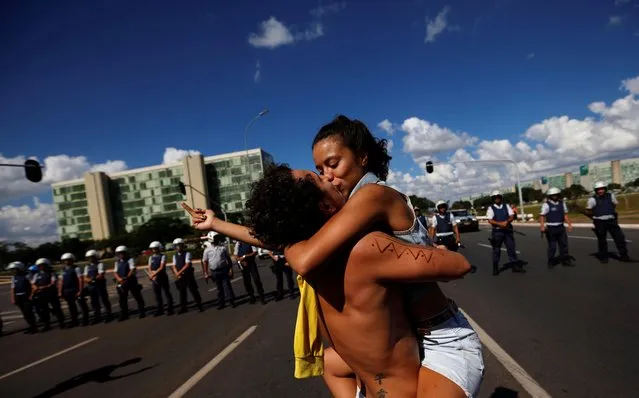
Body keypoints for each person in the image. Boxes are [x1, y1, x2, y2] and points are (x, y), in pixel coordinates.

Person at [190, 115, 483, 398]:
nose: (327, 175)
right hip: (409, 336)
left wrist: (287, 243)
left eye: (333, 164)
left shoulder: (370, 196)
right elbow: (290, 237)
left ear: (362, 157)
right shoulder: (343, 218)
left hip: (439, 335)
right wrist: (216, 224)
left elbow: (302, 254)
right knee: (330, 363)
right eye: (320, 171)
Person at [585, 181, 631, 263]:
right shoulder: (592, 199)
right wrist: (595, 217)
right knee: (602, 240)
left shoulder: (611, 196)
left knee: (620, 238)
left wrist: (609, 211)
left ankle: (624, 256)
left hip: (611, 220)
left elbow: (614, 204)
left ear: (605, 189)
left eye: (602, 189)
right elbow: (589, 210)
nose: (600, 191)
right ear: (596, 190)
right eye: (598, 189)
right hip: (599, 222)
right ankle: (603, 257)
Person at [486, 191, 525, 275]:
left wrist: (506, 222)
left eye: (498, 197)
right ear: (493, 199)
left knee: (511, 248)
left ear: (501, 197)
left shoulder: (506, 206)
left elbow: (511, 216)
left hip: (508, 231)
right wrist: (500, 224)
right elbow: (490, 220)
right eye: (495, 197)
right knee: (496, 250)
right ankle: (495, 267)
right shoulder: (491, 208)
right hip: (497, 232)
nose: (497, 198)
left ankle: (515, 266)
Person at [540, 187, 575, 268]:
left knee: (564, 245)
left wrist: (569, 224)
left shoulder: (562, 203)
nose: (554, 196)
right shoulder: (546, 205)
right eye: (552, 195)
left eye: (556, 195)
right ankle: (551, 261)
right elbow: (542, 216)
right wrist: (542, 226)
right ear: (550, 196)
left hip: (561, 227)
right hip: (551, 228)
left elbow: (565, 215)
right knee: (552, 246)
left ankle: (565, 260)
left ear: (558, 195)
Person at [202, 232, 236, 309]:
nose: (217, 239)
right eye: (215, 237)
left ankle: (231, 301)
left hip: (224, 270)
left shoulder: (222, 248)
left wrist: (230, 269)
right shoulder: (207, 250)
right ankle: (221, 303)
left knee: (227, 286)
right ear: (211, 238)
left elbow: (228, 259)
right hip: (214, 272)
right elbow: (205, 262)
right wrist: (205, 273)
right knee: (219, 288)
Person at [113, 246, 145, 321]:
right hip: (122, 282)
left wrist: (126, 278)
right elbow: (115, 272)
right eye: (118, 253)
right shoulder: (117, 262)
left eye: (121, 253)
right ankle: (124, 314)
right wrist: (119, 279)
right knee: (122, 299)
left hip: (131, 281)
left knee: (137, 297)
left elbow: (132, 269)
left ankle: (142, 312)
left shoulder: (130, 260)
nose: (120, 254)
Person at [31, 258, 66, 330]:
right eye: (39, 265)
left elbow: (53, 283)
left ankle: (61, 322)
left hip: (51, 293)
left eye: (42, 265)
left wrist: (44, 287)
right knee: (44, 310)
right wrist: (36, 287)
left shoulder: (51, 273)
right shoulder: (37, 274)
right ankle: (47, 325)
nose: (41, 267)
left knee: (57, 308)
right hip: (41, 294)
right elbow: (33, 283)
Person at [171, 238, 203, 313]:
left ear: (182, 246)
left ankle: (199, 305)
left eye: (179, 245)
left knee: (193, 290)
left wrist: (178, 273)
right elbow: (174, 266)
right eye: (176, 246)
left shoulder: (187, 254)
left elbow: (187, 264)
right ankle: (183, 307)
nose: (177, 247)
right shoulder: (174, 256)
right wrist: (176, 273)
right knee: (182, 292)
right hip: (180, 276)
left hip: (188, 275)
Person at [59, 253, 90, 327]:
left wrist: (80, 290)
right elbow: (61, 281)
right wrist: (60, 291)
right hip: (67, 290)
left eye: (68, 260)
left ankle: (85, 319)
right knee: (71, 306)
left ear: (72, 260)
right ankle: (74, 320)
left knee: (82, 305)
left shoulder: (76, 268)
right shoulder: (63, 270)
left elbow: (80, 279)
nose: (66, 262)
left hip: (75, 289)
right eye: (65, 260)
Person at [7, 261, 38, 334]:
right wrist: (13, 298)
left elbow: (33, 285)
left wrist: (31, 295)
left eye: (14, 269)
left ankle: (34, 327)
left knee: (28, 312)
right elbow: (13, 288)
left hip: (26, 296)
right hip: (18, 297)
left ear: (19, 268)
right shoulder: (14, 277)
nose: (13, 271)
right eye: (12, 269)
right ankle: (30, 326)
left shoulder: (27, 275)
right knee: (24, 313)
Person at [84, 249, 113, 323]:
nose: (90, 259)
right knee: (94, 302)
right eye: (89, 257)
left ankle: (109, 315)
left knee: (104, 300)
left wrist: (92, 279)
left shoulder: (100, 264)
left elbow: (101, 275)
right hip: (91, 287)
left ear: (95, 257)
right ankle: (97, 317)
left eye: (91, 257)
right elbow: (85, 277)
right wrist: (90, 280)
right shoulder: (87, 266)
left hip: (100, 286)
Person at [234, 238, 266, 305]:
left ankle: (261, 296)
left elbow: (255, 252)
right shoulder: (238, 243)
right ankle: (251, 296)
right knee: (247, 282)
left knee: (256, 280)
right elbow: (235, 255)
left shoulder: (249, 242)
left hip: (251, 264)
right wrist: (241, 261)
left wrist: (245, 256)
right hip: (243, 265)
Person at [147, 241, 174, 316]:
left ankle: (170, 309)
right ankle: (160, 309)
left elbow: (161, 267)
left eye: (155, 248)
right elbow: (149, 267)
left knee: (167, 293)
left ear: (159, 248)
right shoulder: (151, 257)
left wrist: (154, 274)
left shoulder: (163, 256)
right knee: (157, 295)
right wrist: (150, 274)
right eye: (152, 249)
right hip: (155, 278)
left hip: (162, 277)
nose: (154, 250)